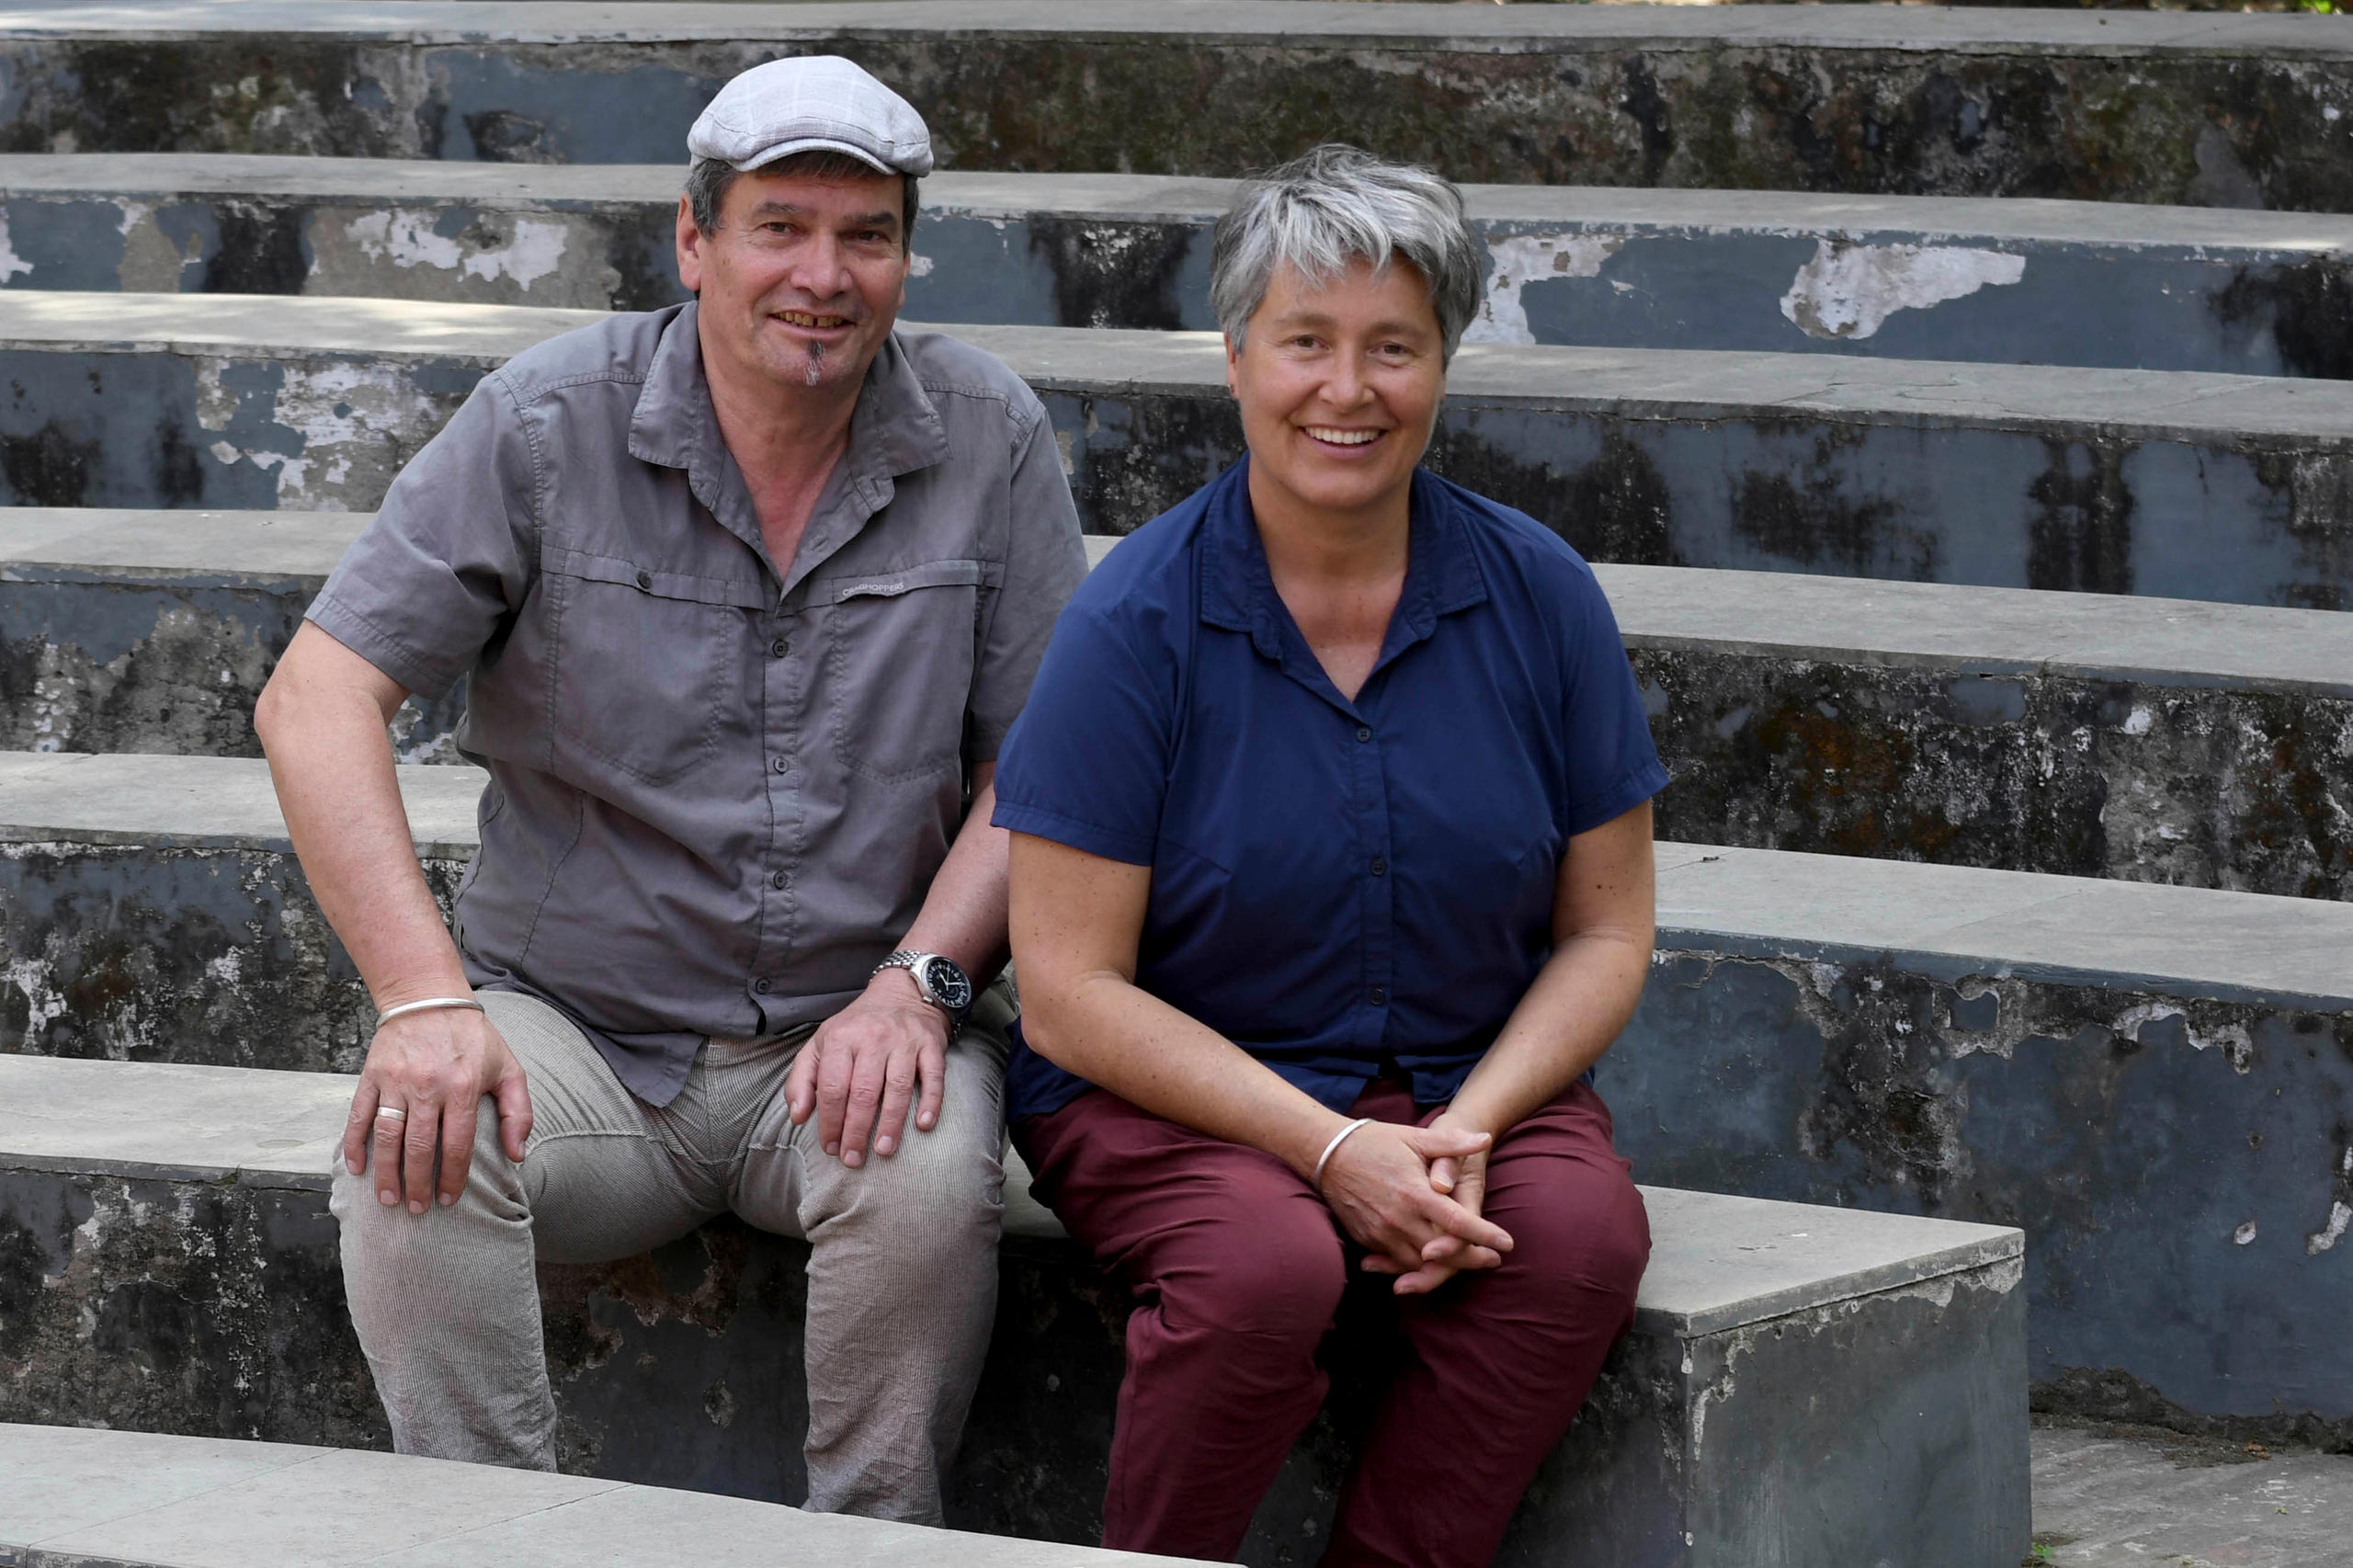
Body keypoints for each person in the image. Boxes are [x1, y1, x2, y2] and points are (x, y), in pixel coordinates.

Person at [255, 56, 1086, 1523]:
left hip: (857, 1025)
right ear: (692, 240)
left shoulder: (992, 436)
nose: (823, 275)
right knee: (412, 1161)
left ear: (906, 253)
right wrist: (422, 1000)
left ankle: (873, 1552)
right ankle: (487, 1544)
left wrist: (921, 983)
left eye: (867, 234)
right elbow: (317, 694)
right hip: (579, 1031)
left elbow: (1041, 768)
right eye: (780, 226)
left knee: (925, 1183)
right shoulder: (540, 422)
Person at [993, 144, 1665, 1567]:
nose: (1347, 391)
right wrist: (1332, 1146)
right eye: (1306, 341)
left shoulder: (1541, 594)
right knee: (1262, 1263)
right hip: (1171, 1088)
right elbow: (1063, 988)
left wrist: (1471, 1123)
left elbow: (1606, 931)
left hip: (1463, 1070)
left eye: (1393, 348)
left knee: (1581, 1235)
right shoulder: (1134, 625)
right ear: (1236, 358)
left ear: (1445, 364)